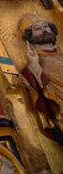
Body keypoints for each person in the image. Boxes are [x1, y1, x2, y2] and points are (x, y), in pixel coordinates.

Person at [19, 14, 63, 145]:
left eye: (46, 26)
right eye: (37, 28)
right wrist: (35, 67)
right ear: (29, 37)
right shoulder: (34, 63)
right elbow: (39, 91)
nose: (44, 30)